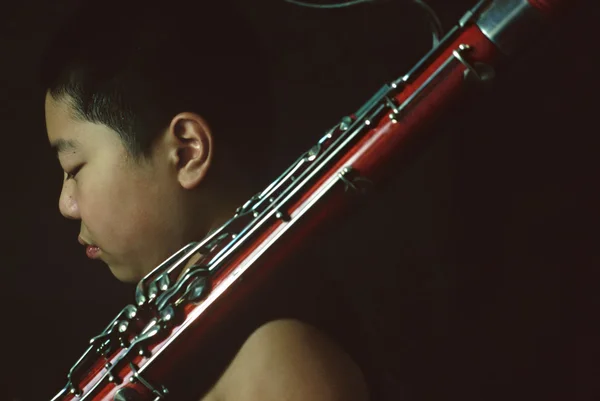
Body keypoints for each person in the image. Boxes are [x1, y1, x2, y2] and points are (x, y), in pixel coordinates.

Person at [41, 0, 375, 400]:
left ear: (186, 151)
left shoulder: (284, 363)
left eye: (74, 167)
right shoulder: (186, 333)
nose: (66, 204)